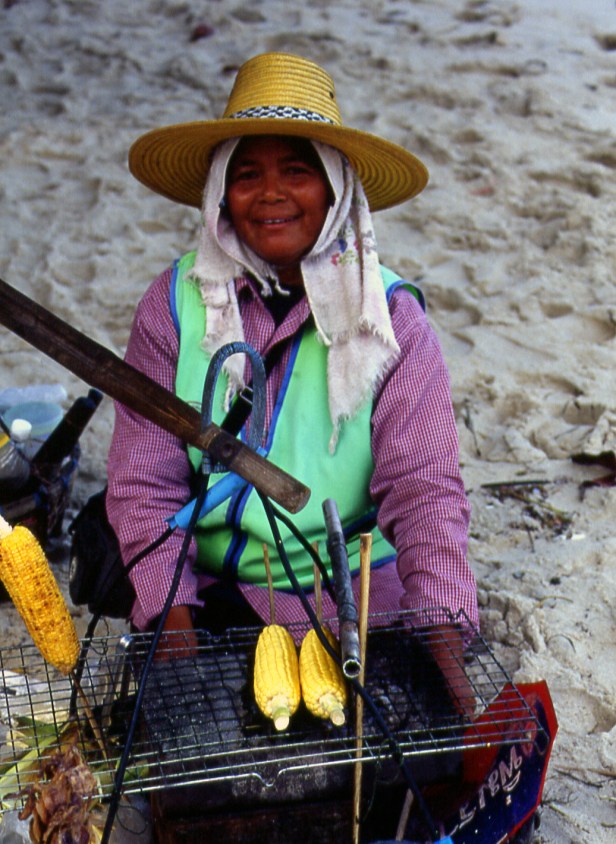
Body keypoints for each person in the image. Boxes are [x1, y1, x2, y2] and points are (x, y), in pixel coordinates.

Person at [106, 52, 478, 716]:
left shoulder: (391, 320)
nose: (271, 194)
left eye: (297, 172)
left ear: (335, 190)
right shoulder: (172, 306)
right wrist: (172, 620)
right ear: (221, 192)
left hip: (361, 588)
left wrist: (446, 643)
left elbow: (424, 491)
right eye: (246, 175)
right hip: (223, 586)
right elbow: (144, 485)